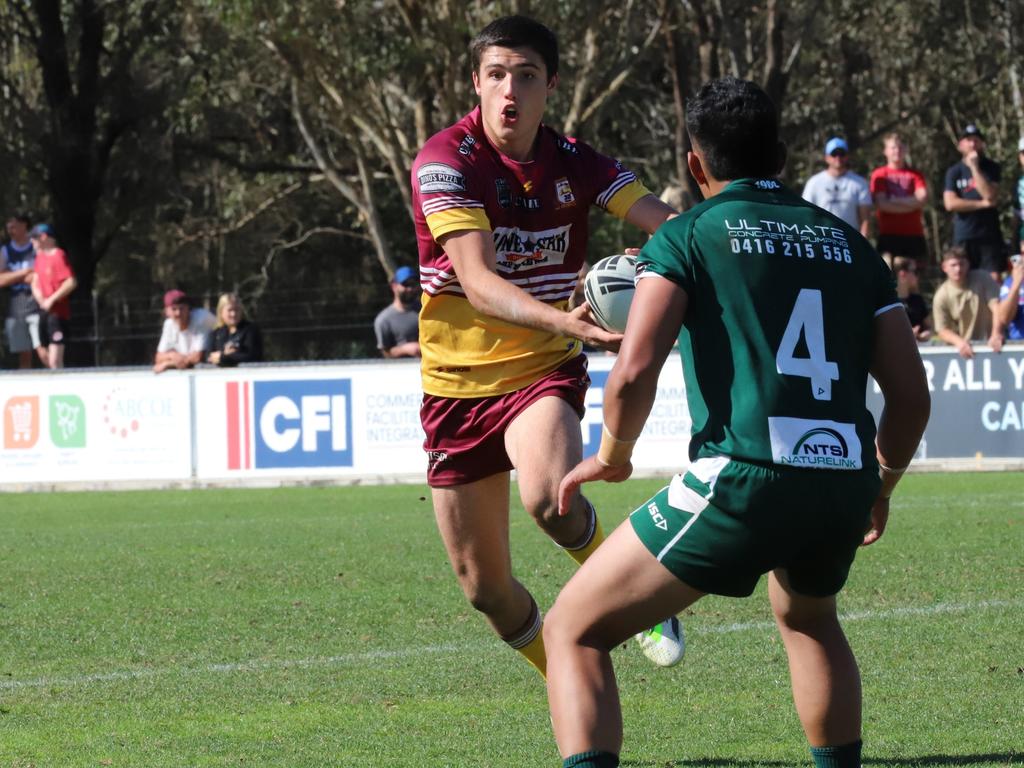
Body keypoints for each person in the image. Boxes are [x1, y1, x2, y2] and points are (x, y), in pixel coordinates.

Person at [543, 77, 930, 768]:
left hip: (744, 476)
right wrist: (880, 485)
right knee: (809, 618)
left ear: (695, 165)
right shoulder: (850, 244)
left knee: (573, 629)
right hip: (840, 477)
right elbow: (911, 397)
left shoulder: (686, 235)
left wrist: (612, 454)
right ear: (781, 155)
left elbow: (633, 371)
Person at [411, 14, 683, 679]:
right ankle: (565, 678)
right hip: (454, 388)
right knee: (487, 590)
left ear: (549, 86)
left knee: (548, 498)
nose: (511, 91)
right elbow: (477, 283)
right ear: (476, 82)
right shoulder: (446, 161)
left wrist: (668, 255)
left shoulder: (578, 164)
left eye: (526, 77)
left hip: (540, 373)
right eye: (497, 75)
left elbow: (668, 225)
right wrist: (570, 322)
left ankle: (644, 602)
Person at [943, 123, 1002, 281]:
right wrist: (982, 204)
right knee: (964, 280)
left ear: (982, 143)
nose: (972, 144)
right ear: (960, 145)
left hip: (989, 235)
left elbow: (989, 195)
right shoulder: (953, 171)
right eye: (968, 140)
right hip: (965, 235)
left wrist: (974, 168)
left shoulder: (991, 168)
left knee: (993, 280)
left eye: (976, 140)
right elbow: (950, 203)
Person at [870, 133, 929, 270]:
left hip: (914, 234)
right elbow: (882, 204)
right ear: (885, 151)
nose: (897, 151)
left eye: (900, 147)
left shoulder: (915, 175)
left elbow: (922, 199)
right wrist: (911, 204)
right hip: (888, 235)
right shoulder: (879, 175)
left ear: (906, 150)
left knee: (913, 278)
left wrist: (894, 200)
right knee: (888, 274)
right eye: (893, 147)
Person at [932, 245, 1004, 359]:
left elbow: (997, 307)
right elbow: (942, 329)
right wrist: (959, 342)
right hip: (965, 352)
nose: (958, 269)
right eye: (953, 265)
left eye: (961, 264)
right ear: (944, 267)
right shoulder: (941, 296)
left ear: (968, 264)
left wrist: (996, 334)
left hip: (994, 346)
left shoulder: (983, 278)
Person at [0, 214, 47, 368]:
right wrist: (25, 272)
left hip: (38, 301)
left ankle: (58, 379)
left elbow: (41, 275)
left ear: (24, 225)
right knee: (23, 352)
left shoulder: (36, 247)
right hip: (16, 306)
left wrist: (11, 275)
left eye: (13, 227)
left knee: (41, 348)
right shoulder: (5, 250)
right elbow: (1, 280)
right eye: (8, 228)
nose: (10, 231)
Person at [28, 224, 77, 369]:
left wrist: (51, 299)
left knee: (55, 360)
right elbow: (35, 282)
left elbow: (71, 282)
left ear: (43, 237)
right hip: (43, 313)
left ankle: (61, 388)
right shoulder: (39, 257)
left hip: (57, 314)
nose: (32, 242)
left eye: (34, 238)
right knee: (44, 356)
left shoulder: (58, 255)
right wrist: (40, 299)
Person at [802, 136, 872, 237]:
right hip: (822, 238)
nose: (838, 158)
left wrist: (863, 242)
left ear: (847, 156)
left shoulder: (859, 183)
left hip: (850, 239)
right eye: (834, 154)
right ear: (826, 157)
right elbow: (807, 214)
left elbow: (865, 218)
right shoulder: (814, 183)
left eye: (841, 154)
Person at [153, 289, 216, 373]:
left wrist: (167, 364)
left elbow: (197, 358)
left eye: (182, 308)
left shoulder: (201, 318)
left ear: (188, 308)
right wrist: (172, 355)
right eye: (174, 309)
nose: (178, 313)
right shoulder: (168, 324)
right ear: (166, 311)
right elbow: (158, 358)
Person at [373, 265, 421, 358]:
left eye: (413, 284)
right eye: (405, 284)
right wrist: (405, 349)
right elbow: (386, 353)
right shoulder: (384, 320)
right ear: (394, 286)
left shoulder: (426, 311)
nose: (410, 289)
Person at [206, 292, 263, 366]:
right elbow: (209, 357)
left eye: (237, 310)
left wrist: (224, 357)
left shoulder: (250, 330)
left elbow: (252, 355)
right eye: (230, 310)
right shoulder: (216, 333)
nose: (233, 314)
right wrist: (225, 355)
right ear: (221, 312)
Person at [892, 256, 931, 341]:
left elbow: (928, 327)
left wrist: (926, 334)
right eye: (915, 271)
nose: (917, 276)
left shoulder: (918, 300)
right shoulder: (888, 302)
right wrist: (906, 335)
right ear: (903, 274)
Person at [997, 248, 1024, 341]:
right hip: (1019, 346)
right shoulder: (1010, 282)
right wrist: (1016, 284)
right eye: (1022, 253)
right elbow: (1004, 318)